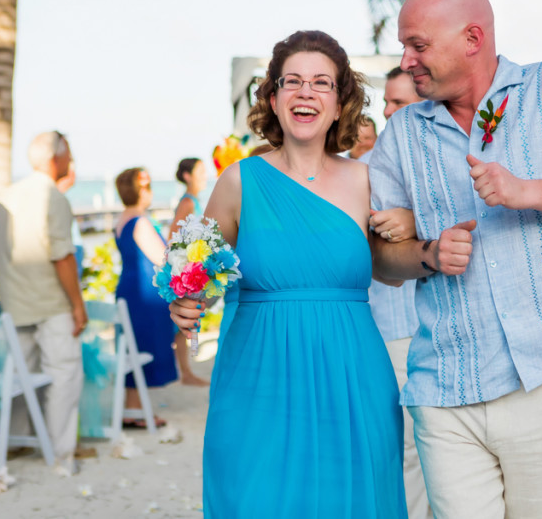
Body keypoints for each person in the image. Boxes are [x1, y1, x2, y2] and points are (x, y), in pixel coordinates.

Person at [368, 0, 542, 518]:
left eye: (418, 45)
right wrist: (427, 254)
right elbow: (382, 264)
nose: (406, 59)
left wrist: (526, 191)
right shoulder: (399, 135)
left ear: (472, 38)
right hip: (443, 388)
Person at [170, 30, 407, 518]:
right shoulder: (238, 180)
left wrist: (411, 232)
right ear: (273, 99)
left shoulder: (369, 179)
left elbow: (392, 269)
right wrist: (186, 299)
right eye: (292, 81)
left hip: (350, 369)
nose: (305, 92)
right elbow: (198, 272)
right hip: (257, 377)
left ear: (340, 102)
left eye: (322, 83)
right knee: (255, 496)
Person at [0, 131, 86, 475]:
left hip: (15, 301)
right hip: (50, 303)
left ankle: (17, 441)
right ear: (54, 158)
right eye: (69, 154)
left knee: (19, 373)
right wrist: (78, 304)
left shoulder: (10, 194)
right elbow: (63, 256)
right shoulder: (52, 198)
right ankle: (61, 454)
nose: (71, 161)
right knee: (64, 375)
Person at [361, 66, 429, 519]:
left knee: (423, 449)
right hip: (388, 329)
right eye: (385, 102)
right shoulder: (364, 173)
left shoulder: (444, 163)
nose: (386, 112)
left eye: (398, 103)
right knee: (403, 447)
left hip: (434, 329)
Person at [114, 167, 178, 426]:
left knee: (133, 345)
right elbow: (163, 259)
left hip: (128, 287)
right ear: (139, 190)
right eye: (147, 186)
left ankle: (133, 408)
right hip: (144, 293)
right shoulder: (140, 221)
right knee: (145, 345)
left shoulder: (122, 218)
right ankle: (138, 411)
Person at [168, 158, 212, 384]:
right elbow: (173, 238)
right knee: (187, 320)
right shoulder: (188, 202)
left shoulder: (194, 200)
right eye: (201, 171)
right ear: (187, 176)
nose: (205, 175)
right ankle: (187, 372)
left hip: (194, 268)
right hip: (188, 271)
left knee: (187, 322)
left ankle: (187, 370)